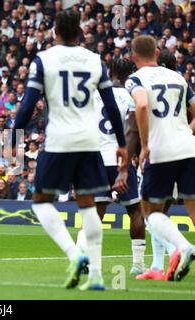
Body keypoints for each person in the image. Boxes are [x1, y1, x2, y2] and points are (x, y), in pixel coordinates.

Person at [14, 11, 128, 291]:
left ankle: (74, 254)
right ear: (79, 31)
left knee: (41, 201)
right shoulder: (94, 60)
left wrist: (14, 134)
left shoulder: (44, 60)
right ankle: (98, 275)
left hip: (59, 140)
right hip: (90, 141)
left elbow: (29, 104)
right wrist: (123, 144)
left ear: (55, 32)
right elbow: (111, 105)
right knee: (88, 204)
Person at [125, 35, 195, 281]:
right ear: (156, 52)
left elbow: (142, 107)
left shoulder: (135, 79)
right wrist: (188, 131)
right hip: (189, 148)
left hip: (161, 151)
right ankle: (157, 267)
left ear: (133, 57)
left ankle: (184, 247)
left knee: (151, 211)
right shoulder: (178, 78)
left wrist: (145, 146)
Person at [76, 58, 147, 275]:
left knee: (95, 213)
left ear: (110, 71)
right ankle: (137, 265)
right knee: (134, 210)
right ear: (130, 73)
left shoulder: (94, 95)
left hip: (96, 160)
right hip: (120, 160)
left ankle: (83, 257)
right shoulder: (131, 96)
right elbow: (134, 129)